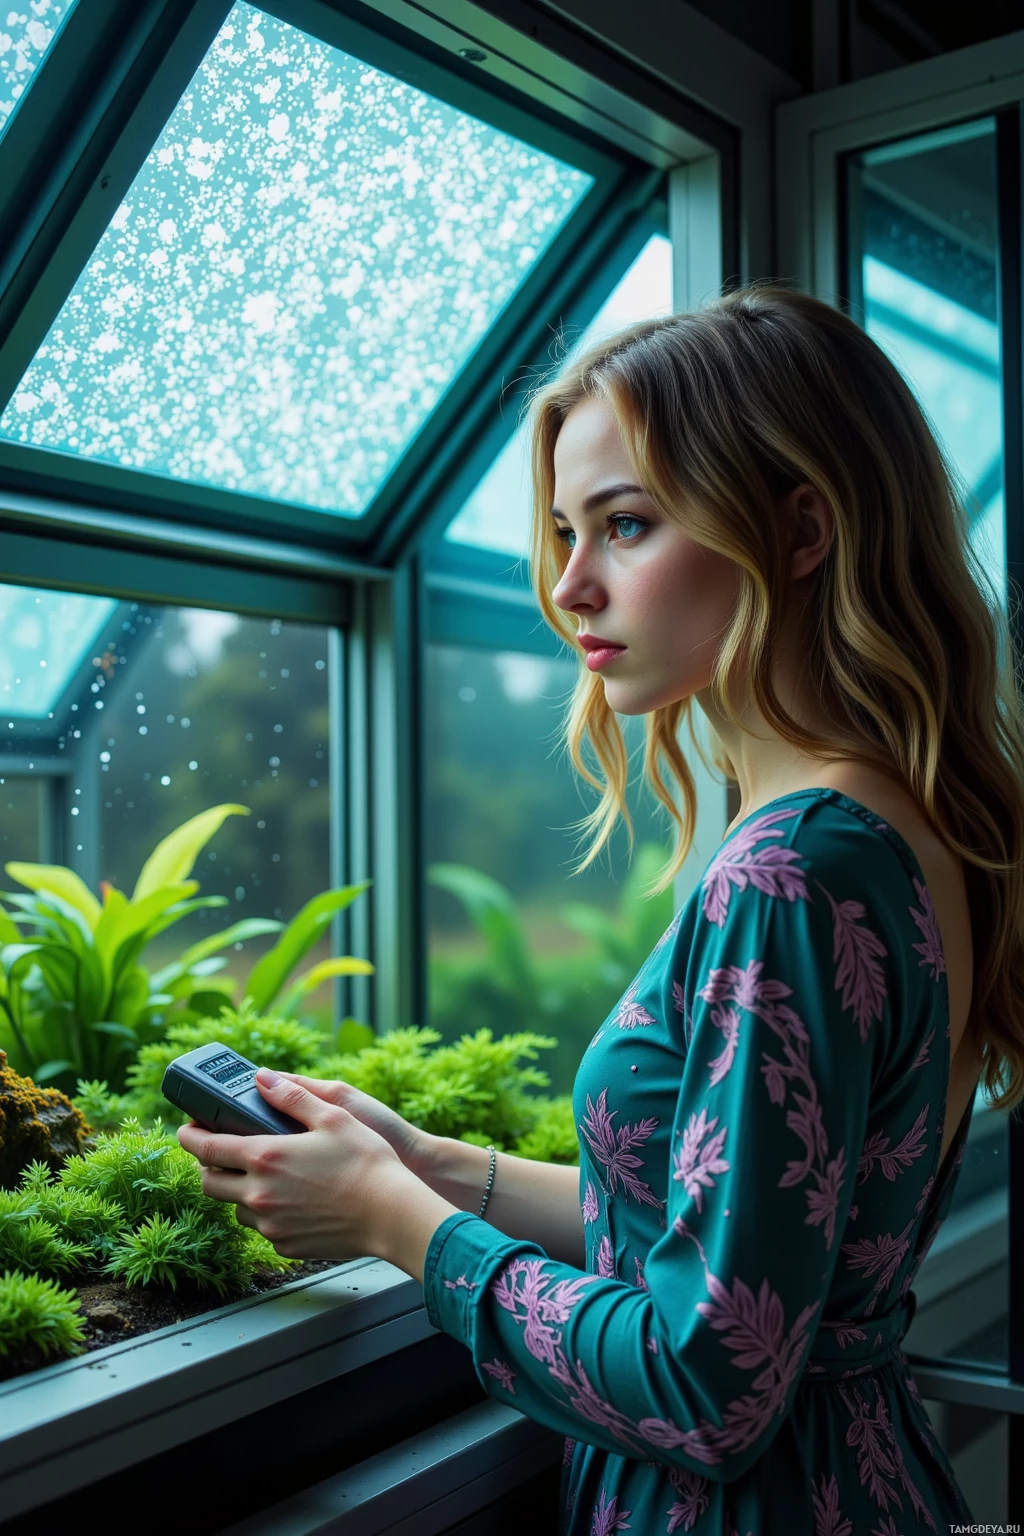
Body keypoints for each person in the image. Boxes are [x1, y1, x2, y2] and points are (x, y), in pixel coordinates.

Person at [178, 286, 1024, 1533]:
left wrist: (395, 1224)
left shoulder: (791, 871)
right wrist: (430, 1166)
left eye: (624, 526)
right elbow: (737, 1238)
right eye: (567, 531)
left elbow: (705, 1381)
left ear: (799, 528)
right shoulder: (890, 823)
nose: (569, 585)